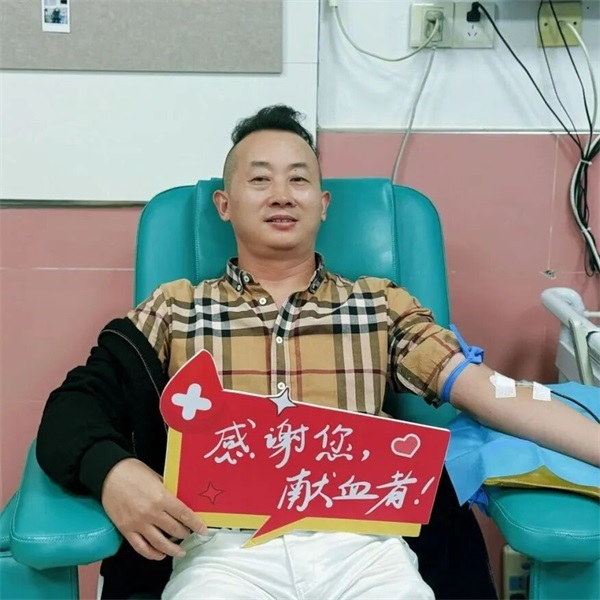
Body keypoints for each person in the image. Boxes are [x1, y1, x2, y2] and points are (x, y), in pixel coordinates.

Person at [36, 105, 600, 600]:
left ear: (323, 204)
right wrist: (112, 471)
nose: (282, 194)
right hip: (220, 546)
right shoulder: (176, 308)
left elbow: (487, 392)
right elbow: (76, 404)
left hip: (364, 539)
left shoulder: (378, 304)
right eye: (260, 179)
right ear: (224, 204)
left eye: (299, 179)